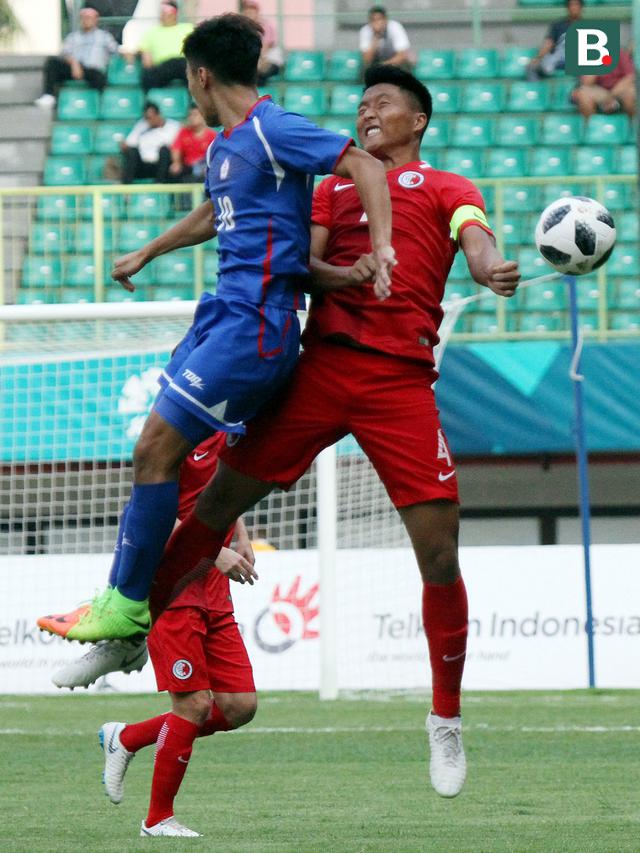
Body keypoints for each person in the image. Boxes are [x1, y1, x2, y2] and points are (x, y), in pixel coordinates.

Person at [95, 65, 520, 799]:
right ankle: (130, 624)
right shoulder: (330, 188)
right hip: (317, 372)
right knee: (212, 511)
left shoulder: (450, 188)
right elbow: (304, 265)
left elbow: (475, 242)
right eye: (361, 104)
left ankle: (445, 718)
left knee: (440, 552)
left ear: (417, 120)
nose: (368, 111)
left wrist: (489, 269)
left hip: (400, 384)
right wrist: (348, 273)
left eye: (383, 102)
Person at [38, 14, 394, 644]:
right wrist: (149, 251)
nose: (188, 98)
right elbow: (215, 211)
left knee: (157, 449)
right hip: (221, 316)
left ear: (202, 77)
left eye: (188, 85)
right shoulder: (226, 145)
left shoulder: (272, 126)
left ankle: (128, 606)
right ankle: (128, 602)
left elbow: (364, 166)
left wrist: (383, 248)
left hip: (256, 326)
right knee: (165, 457)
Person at [43, 433, 257, 838]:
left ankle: (126, 737)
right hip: (173, 588)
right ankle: (157, 820)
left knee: (239, 706)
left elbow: (225, 487)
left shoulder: (228, 426)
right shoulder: (176, 432)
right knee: (193, 704)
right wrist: (214, 551)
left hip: (215, 591)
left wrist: (241, 533)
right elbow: (151, 515)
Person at [35, 6, 118, 108]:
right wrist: (74, 64)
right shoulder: (73, 37)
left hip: (93, 70)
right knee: (52, 62)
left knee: (99, 77)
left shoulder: (105, 37)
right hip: (74, 68)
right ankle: (49, 95)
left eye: (89, 17)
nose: (87, 20)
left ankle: (100, 106)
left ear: (96, 19)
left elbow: (116, 51)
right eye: (84, 17)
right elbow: (64, 54)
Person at [120, 100, 181, 183]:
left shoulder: (174, 127)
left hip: (162, 165)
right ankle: (126, 189)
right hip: (144, 165)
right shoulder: (141, 125)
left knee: (164, 150)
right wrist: (124, 145)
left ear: (158, 114)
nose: (147, 121)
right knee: (132, 152)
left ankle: (160, 186)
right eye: (146, 118)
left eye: (149, 118)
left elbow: (178, 147)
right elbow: (129, 144)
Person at [139, 1, 194, 91]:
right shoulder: (151, 33)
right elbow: (147, 61)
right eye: (162, 12)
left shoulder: (188, 28)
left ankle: (193, 103)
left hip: (184, 64)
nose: (163, 15)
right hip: (163, 66)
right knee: (147, 75)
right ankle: (150, 102)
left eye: (166, 12)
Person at [526, 0, 583, 81]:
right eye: (571, 5)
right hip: (558, 59)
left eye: (576, 5)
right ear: (567, 8)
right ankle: (536, 91)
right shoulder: (558, 25)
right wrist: (538, 57)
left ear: (581, 8)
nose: (574, 8)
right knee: (532, 67)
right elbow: (548, 43)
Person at [572, 46, 636, 118]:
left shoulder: (620, 53)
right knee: (583, 94)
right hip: (600, 90)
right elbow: (587, 82)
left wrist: (612, 95)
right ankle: (590, 126)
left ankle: (633, 126)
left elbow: (630, 77)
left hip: (619, 89)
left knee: (631, 93)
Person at [168, 104, 217, 182]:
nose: (192, 118)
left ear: (203, 116)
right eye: (190, 115)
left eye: (195, 115)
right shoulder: (183, 132)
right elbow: (176, 149)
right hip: (188, 168)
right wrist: (176, 162)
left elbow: (215, 156)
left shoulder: (212, 135)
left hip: (204, 168)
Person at [239, 0, 283, 85]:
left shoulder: (266, 26)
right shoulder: (243, 28)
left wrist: (258, 61)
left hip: (269, 60)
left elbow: (265, 47)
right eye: (247, 10)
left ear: (257, 12)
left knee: (258, 74)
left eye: (252, 11)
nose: (249, 13)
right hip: (254, 61)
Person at [359, 6, 412, 71]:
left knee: (405, 65)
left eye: (379, 19)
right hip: (376, 62)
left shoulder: (395, 27)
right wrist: (376, 37)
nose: (376, 23)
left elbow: (402, 55)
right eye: (373, 20)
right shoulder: (365, 31)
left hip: (394, 61)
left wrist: (384, 65)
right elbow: (366, 59)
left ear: (385, 20)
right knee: (364, 69)